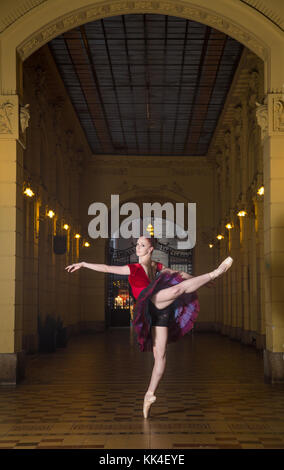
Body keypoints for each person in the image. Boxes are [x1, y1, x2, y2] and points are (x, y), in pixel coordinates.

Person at [65, 236, 233, 418]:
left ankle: (149, 394)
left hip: (160, 311)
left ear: (151, 249)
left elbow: (179, 275)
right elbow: (106, 268)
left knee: (160, 357)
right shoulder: (133, 268)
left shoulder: (156, 267)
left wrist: (200, 281)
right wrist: (83, 263)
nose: (137, 247)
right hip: (147, 306)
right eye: (137, 244)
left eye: (142, 245)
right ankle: (215, 272)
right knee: (178, 290)